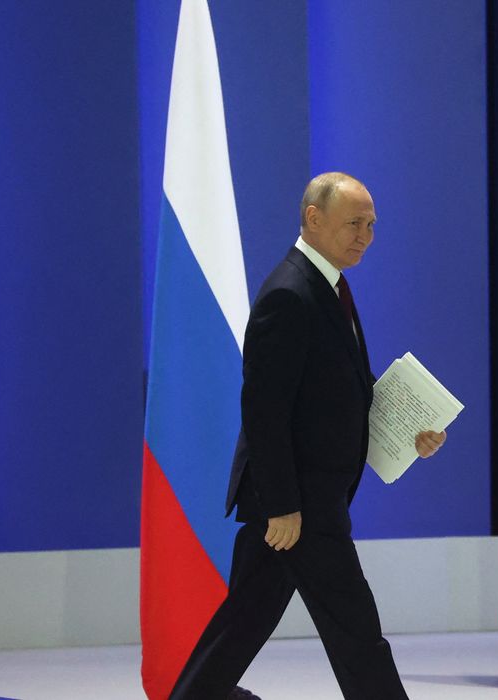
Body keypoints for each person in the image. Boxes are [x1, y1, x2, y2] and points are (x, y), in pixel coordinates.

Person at [171, 172, 446, 700]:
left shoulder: (328, 284)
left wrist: (410, 430)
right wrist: (281, 505)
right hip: (300, 505)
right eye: (353, 223)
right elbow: (264, 409)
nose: (364, 235)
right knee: (356, 632)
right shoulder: (290, 293)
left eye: (371, 225)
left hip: (302, 500)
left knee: (242, 624)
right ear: (313, 218)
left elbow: (336, 388)